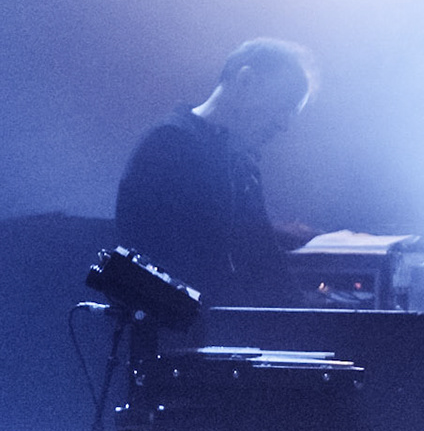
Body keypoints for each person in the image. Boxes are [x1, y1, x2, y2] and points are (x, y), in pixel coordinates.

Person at [115, 38, 313, 307]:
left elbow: (264, 260)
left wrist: (307, 316)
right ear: (245, 81)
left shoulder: (240, 164)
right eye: (284, 106)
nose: (284, 124)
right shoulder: (169, 146)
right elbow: (174, 267)